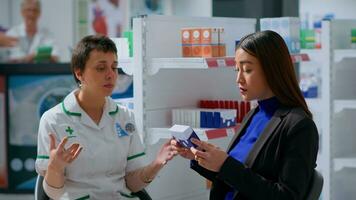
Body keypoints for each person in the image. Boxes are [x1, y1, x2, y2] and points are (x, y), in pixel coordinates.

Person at [171, 30, 319, 200]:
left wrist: (225, 164)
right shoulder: (252, 115)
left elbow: (286, 196)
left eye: (247, 70)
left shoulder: (299, 126)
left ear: (272, 70)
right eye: (237, 70)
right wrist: (201, 157)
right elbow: (236, 179)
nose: (239, 79)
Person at [35, 35, 176, 199]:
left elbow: (132, 183)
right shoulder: (53, 120)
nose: (111, 75)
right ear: (79, 73)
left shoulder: (124, 116)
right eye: (101, 68)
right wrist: (55, 168)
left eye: (114, 67)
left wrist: (156, 164)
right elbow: (53, 193)